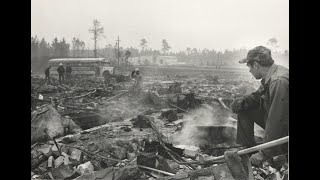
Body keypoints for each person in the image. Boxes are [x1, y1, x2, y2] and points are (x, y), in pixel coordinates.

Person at [230, 46, 289, 167]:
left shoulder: (278, 81)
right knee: (245, 108)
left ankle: (273, 154)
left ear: (256, 65)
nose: (249, 71)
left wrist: (264, 153)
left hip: (285, 129)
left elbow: (277, 120)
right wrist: (244, 101)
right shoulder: (273, 74)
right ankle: (249, 151)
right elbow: (258, 95)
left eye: (249, 66)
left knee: (273, 149)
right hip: (283, 123)